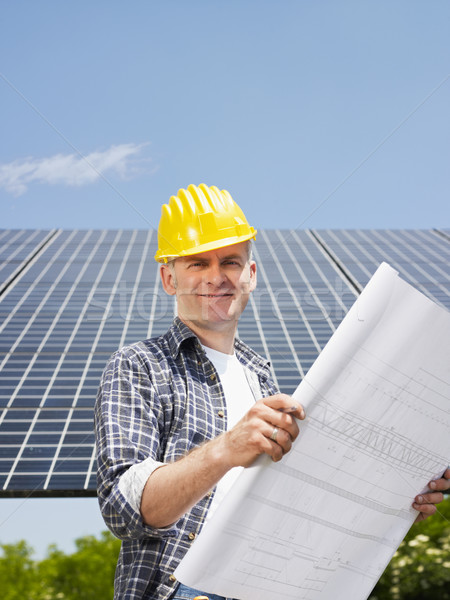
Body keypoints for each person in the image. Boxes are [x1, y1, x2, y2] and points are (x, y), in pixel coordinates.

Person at [95, 183, 450, 600]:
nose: (216, 276)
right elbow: (123, 508)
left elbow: (303, 507)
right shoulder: (140, 366)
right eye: (196, 263)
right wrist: (224, 450)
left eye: (230, 261)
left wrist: (395, 497)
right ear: (168, 278)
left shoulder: (266, 384)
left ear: (251, 275)